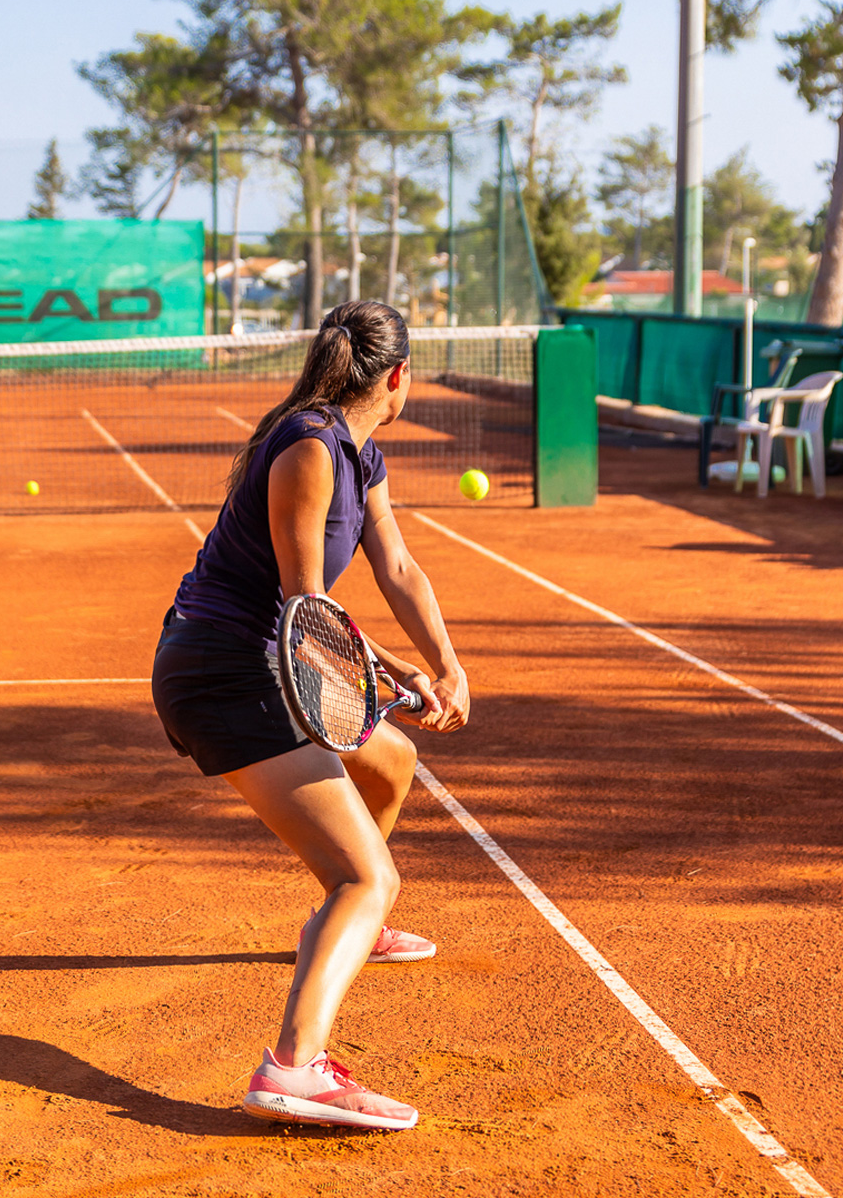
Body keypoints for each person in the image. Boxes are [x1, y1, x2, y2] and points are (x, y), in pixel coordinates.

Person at [151, 300, 470, 1131]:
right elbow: (306, 607)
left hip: (259, 659)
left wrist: (446, 665)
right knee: (370, 876)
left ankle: (346, 922)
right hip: (225, 671)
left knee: (391, 762)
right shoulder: (307, 449)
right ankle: (295, 1068)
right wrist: (395, 672)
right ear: (398, 376)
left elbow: (398, 564)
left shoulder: (362, 454)